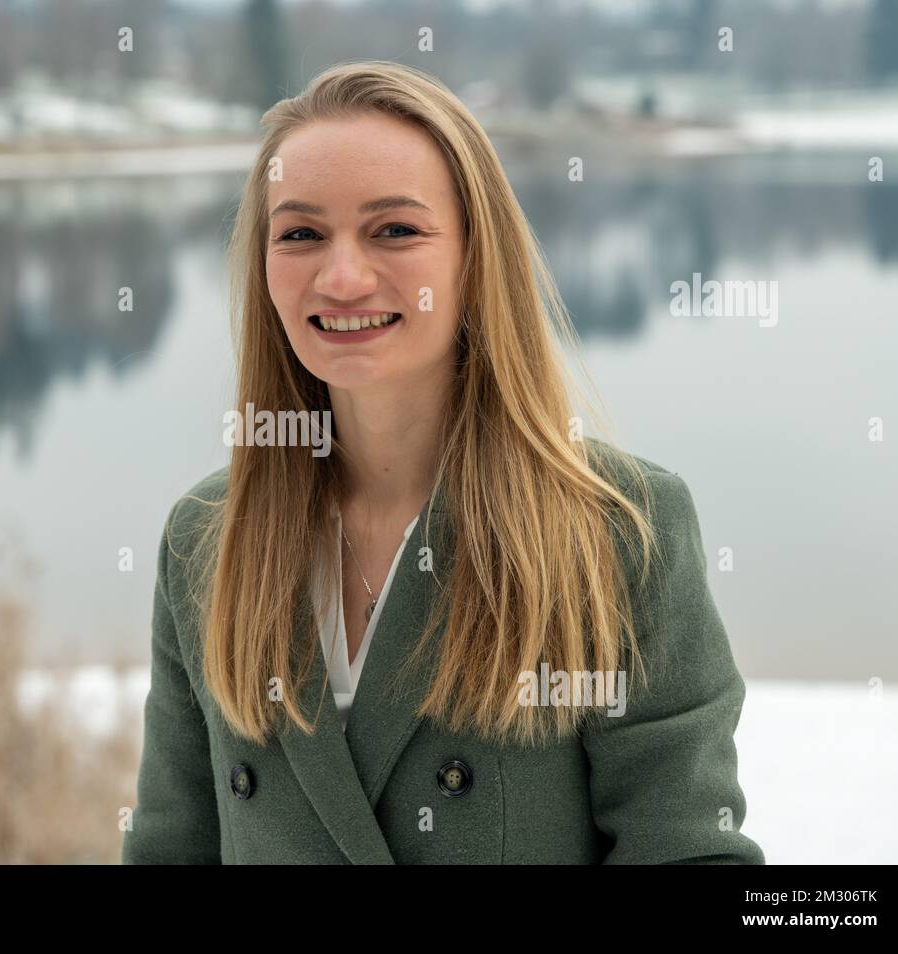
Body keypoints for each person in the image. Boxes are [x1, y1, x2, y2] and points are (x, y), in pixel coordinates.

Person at [122, 60, 764, 864]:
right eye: (300, 234)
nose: (343, 276)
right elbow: (168, 848)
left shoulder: (619, 531)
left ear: (474, 257)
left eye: (395, 230)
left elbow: (686, 853)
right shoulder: (204, 543)